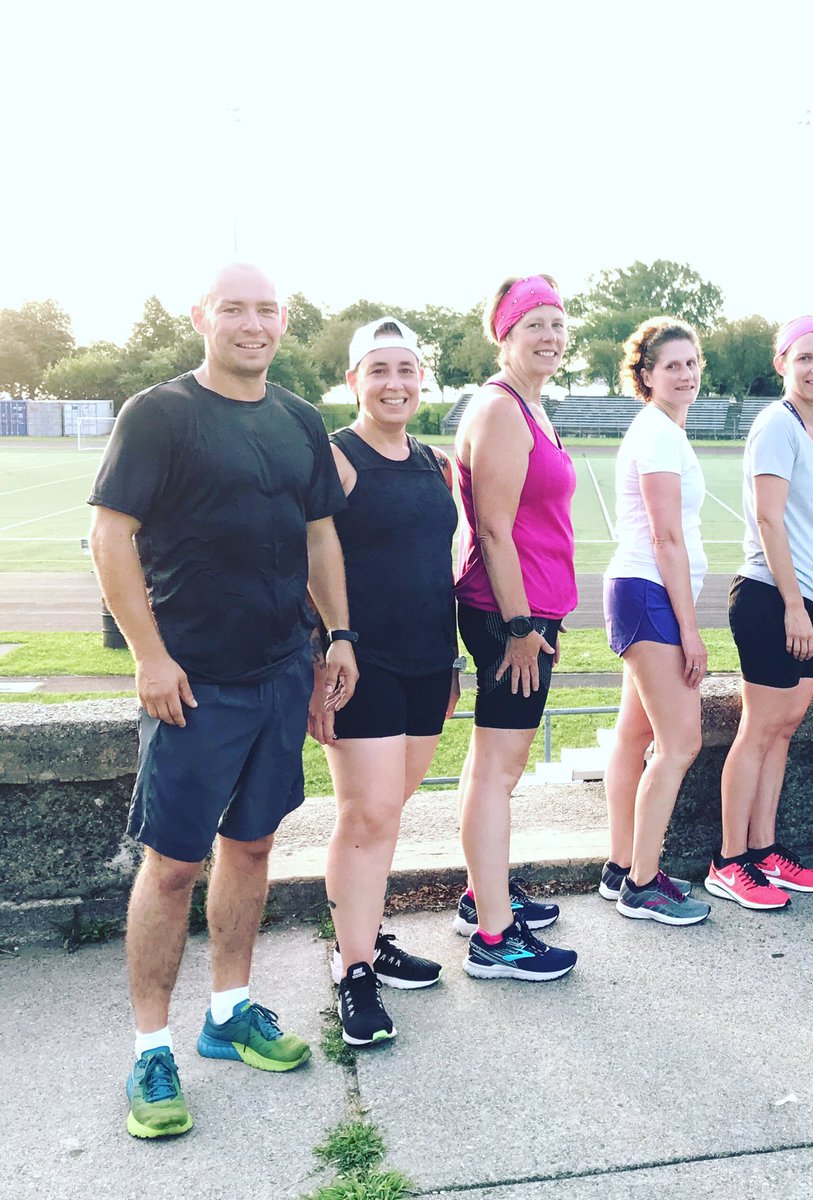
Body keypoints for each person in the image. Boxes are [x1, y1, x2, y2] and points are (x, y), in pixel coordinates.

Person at [89, 263, 358, 1139]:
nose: (253, 324)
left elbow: (318, 533)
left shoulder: (299, 419)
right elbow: (110, 535)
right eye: (234, 309)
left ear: (283, 323)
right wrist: (150, 657)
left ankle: (229, 1012)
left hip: (280, 672)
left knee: (252, 845)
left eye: (266, 310)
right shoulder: (159, 414)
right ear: (202, 317)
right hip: (193, 683)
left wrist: (338, 637)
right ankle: (149, 1051)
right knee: (172, 866)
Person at [307, 318, 458, 1047]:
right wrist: (329, 650)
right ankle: (353, 969)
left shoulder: (435, 463)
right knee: (365, 817)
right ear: (354, 381)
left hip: (430, 661)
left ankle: (363, 934)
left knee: (388, 812)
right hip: (361, 663)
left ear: (421, 379)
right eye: (379, 371)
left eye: (406, 370)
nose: (394, 384)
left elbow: (436, 564)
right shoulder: (337, 458)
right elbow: (308, 557)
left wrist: (452, 661)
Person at [453, 275, 578, 979]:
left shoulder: (529, 405)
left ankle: (484, 894)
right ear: (505, 334)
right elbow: (494, 531)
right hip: (510, 615)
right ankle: (496, 940)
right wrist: (521, 627)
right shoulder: (502, 409)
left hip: (527, 609)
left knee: (490, 765)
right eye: (534, 324)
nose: (550, 336)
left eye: (557, 323)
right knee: (499, 772)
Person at [707, 317, 813, 910]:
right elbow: (769, 519)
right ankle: (728, 861)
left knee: (784, 729)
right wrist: (793, 604)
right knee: (759, 729)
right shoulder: (775, 425)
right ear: (782, 364)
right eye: (804, 357)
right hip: (771, 597)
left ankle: (764, 852)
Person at [600, 317, 712, 926]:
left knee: (635, 734)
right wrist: (691, 631)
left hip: (640, 591)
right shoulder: (659, 435)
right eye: (672, 365)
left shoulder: (662, 430)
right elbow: (666, 538)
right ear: (646, 375)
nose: (686, 374)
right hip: (649, 594)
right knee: (680, 743)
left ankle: (623, 865)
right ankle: (642, 884)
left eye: (691, 363)